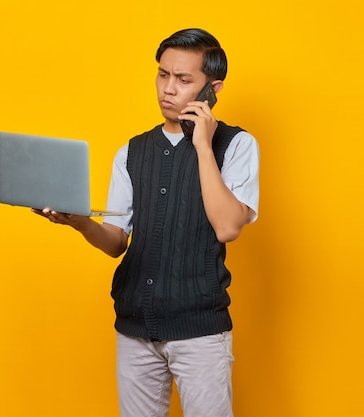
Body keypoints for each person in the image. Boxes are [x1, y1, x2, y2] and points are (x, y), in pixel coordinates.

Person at [32, 28, 259, 417]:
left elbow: (227, 227)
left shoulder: (237, 146)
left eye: (184, 80)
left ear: (212, 89)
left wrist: (202, 145)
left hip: (200, 332)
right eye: (163, 74)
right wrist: (79, 222)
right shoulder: (131, 152)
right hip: (134, 328)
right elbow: (116, 241)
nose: (168, 89)